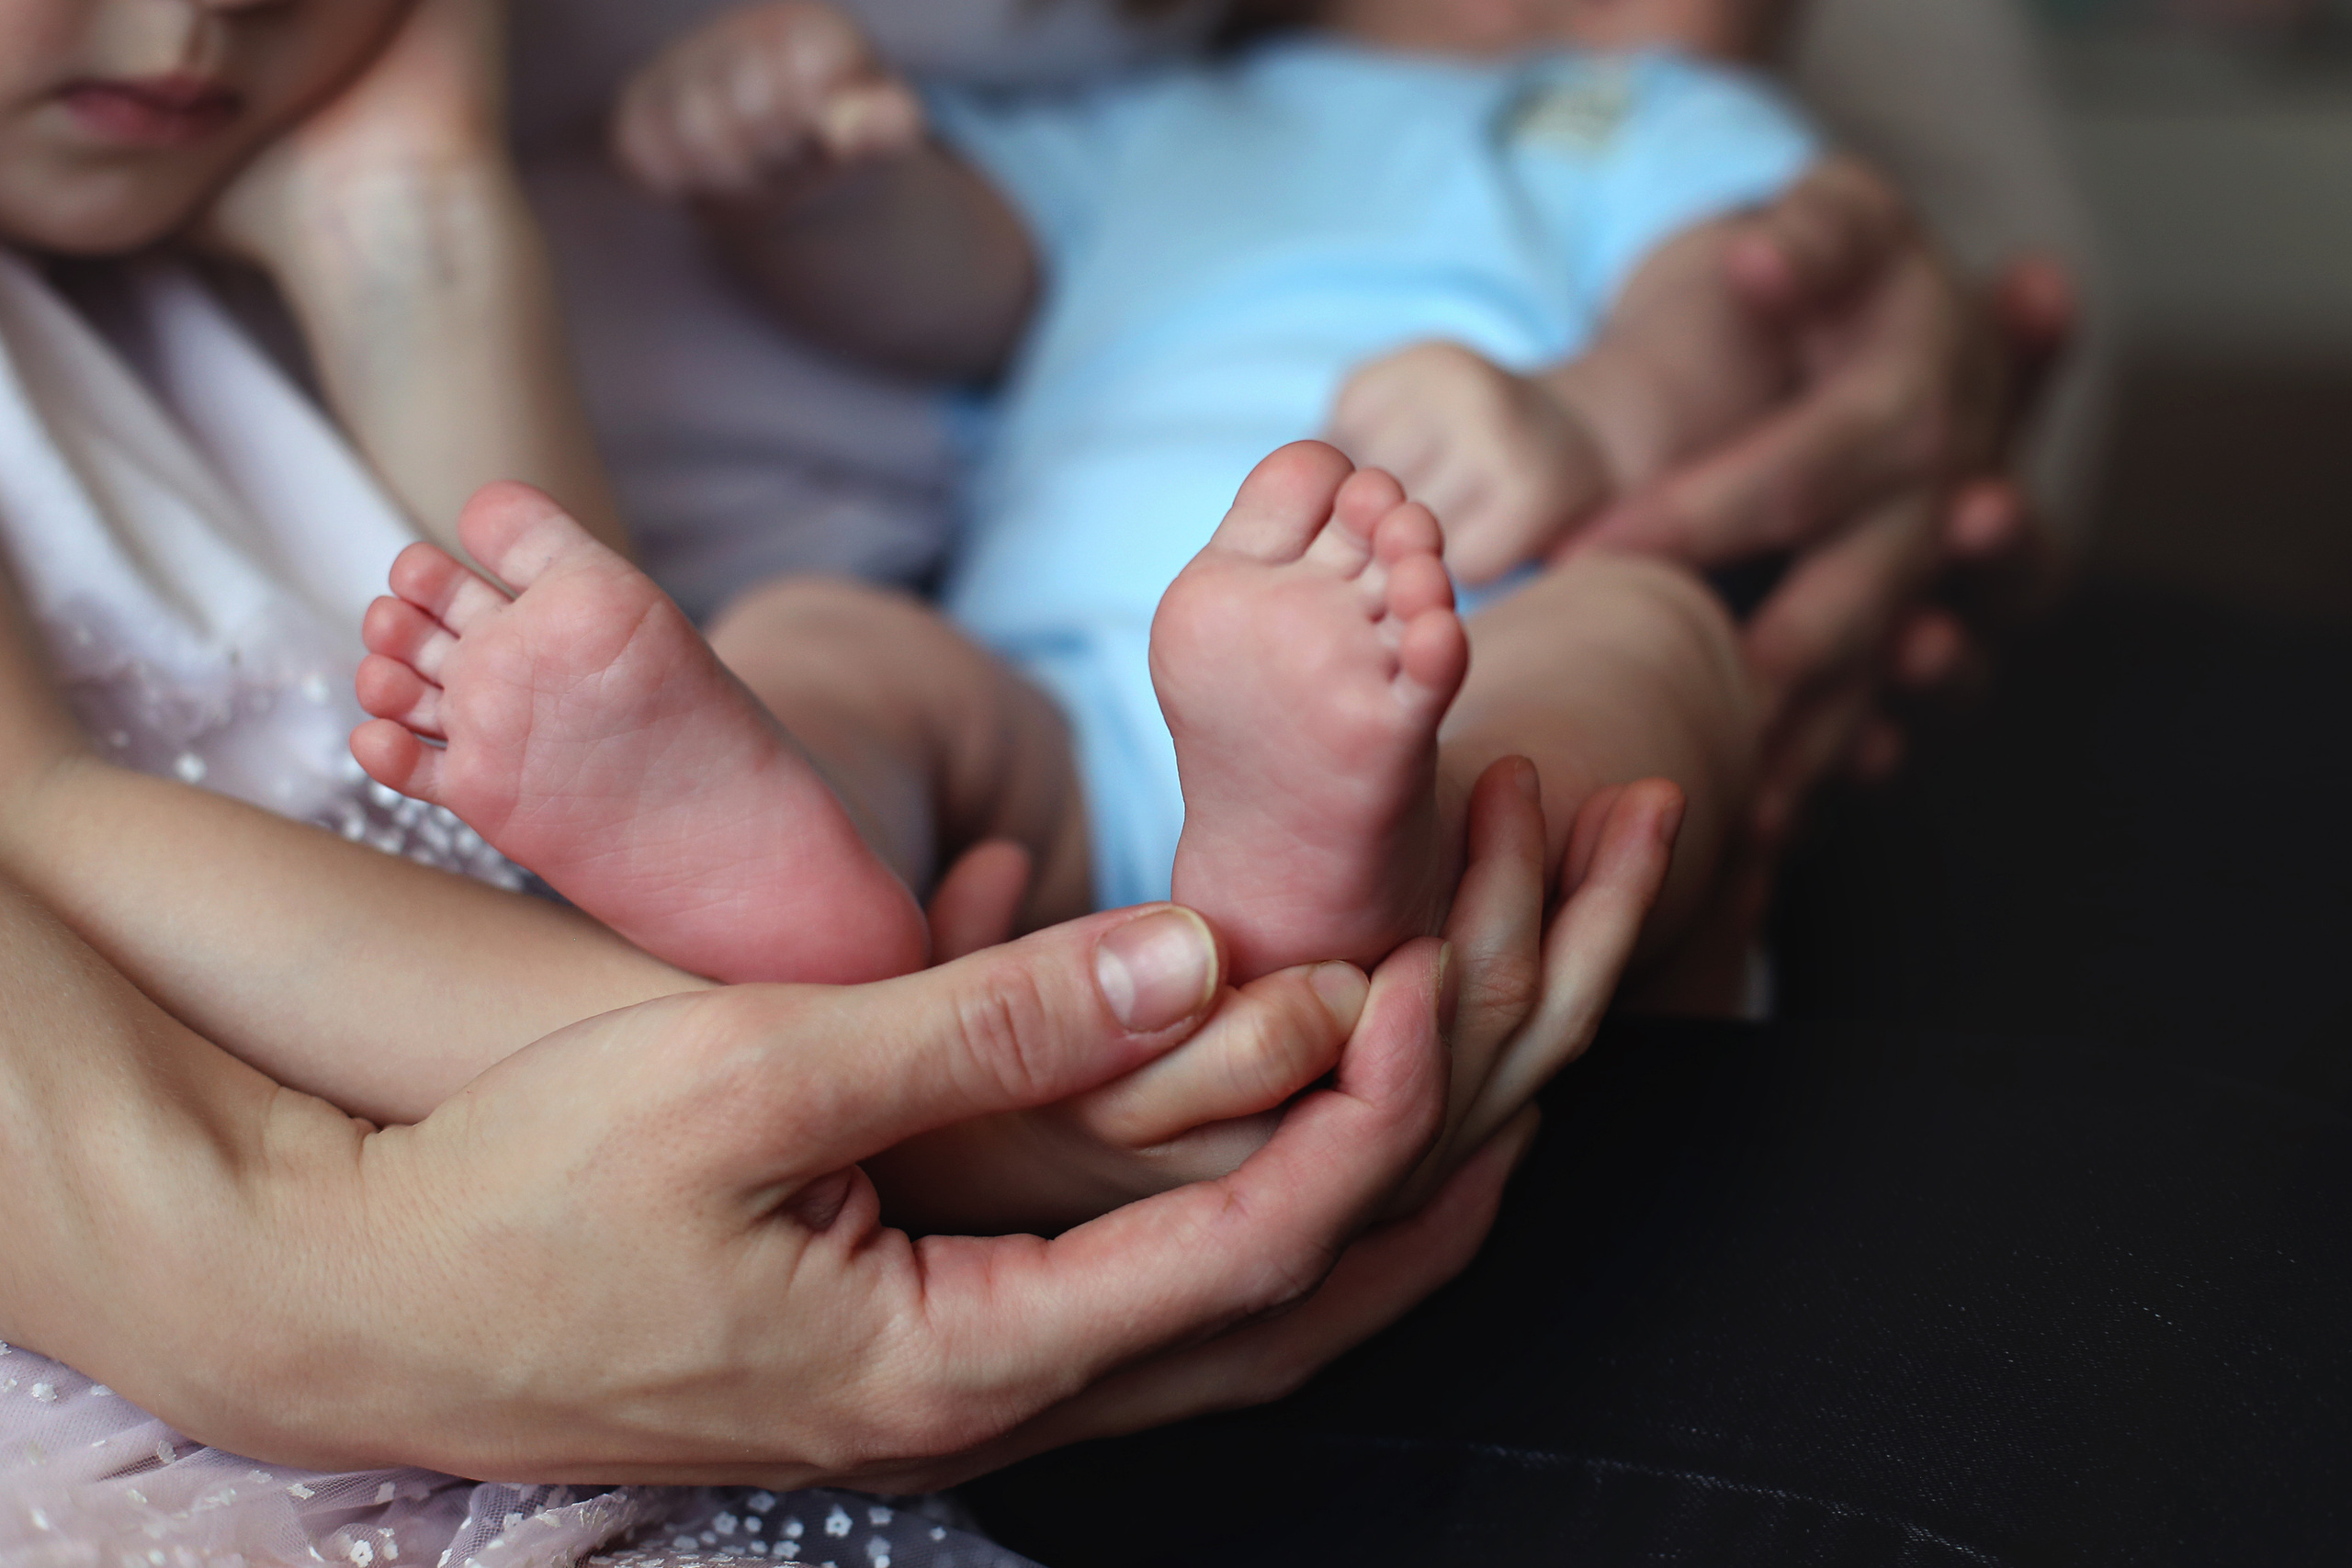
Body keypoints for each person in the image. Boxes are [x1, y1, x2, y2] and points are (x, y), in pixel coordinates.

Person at [0, 0, 1676, 1559]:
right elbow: (69, 813)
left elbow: (1760, 309)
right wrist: (938, 1112)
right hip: (1012, 730)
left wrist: (1603, 422)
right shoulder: (1201, 138)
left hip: (1369, 659)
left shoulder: (1667, 135)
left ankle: (1311, 895)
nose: (196, 23)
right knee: (824, 660)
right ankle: (1167, 932)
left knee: (1644, 628)